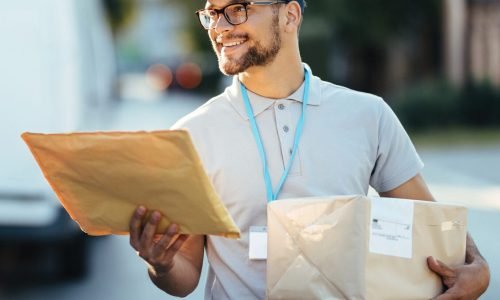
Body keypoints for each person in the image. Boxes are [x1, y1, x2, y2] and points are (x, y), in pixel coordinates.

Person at [128, 0, 490, 299]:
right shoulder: (191, 135)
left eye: (237, 9)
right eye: (211, 13)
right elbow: (185, 275)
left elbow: (429, 223)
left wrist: (477, 267)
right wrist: (161, 264)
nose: (220, 26)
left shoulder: (368, 114)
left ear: (290, 15)